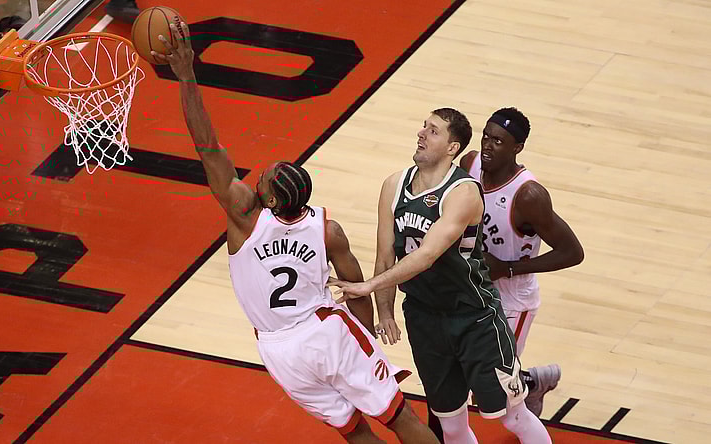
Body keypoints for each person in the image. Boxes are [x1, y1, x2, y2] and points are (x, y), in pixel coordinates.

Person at [154, 19, 439, 444]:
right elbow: (355, 287)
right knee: (401, 418)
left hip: (279, 351)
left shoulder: (243, 219)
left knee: (355, 432)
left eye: (266, 175)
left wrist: (188, 76)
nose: (263, 171)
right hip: (327, 332)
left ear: (268, 200)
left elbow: (206, 145)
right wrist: (364, 338)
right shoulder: (328, 230)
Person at [332, 108, 553, 443]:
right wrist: (386, 310)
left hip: (475, 320)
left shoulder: (463, 192)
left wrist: (369, 286)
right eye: (423, 127)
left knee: (512, 414)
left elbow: (427, 254)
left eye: (433, 131)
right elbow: (385, 254)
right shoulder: (393, 185)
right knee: (449, 423)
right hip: (424, 319)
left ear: (452, 148)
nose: (421, 134)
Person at [458, 107, 584, 416]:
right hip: (474, 287)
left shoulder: (528, 195)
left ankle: (529, 388)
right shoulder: (469, 163)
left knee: (499, 394)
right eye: (486, 136)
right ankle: (529, 381)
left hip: (513, 299)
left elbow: (572, 252)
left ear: (517, 147)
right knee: (464, 375)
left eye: (498, 141)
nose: (488, 145)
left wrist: (508, 267)